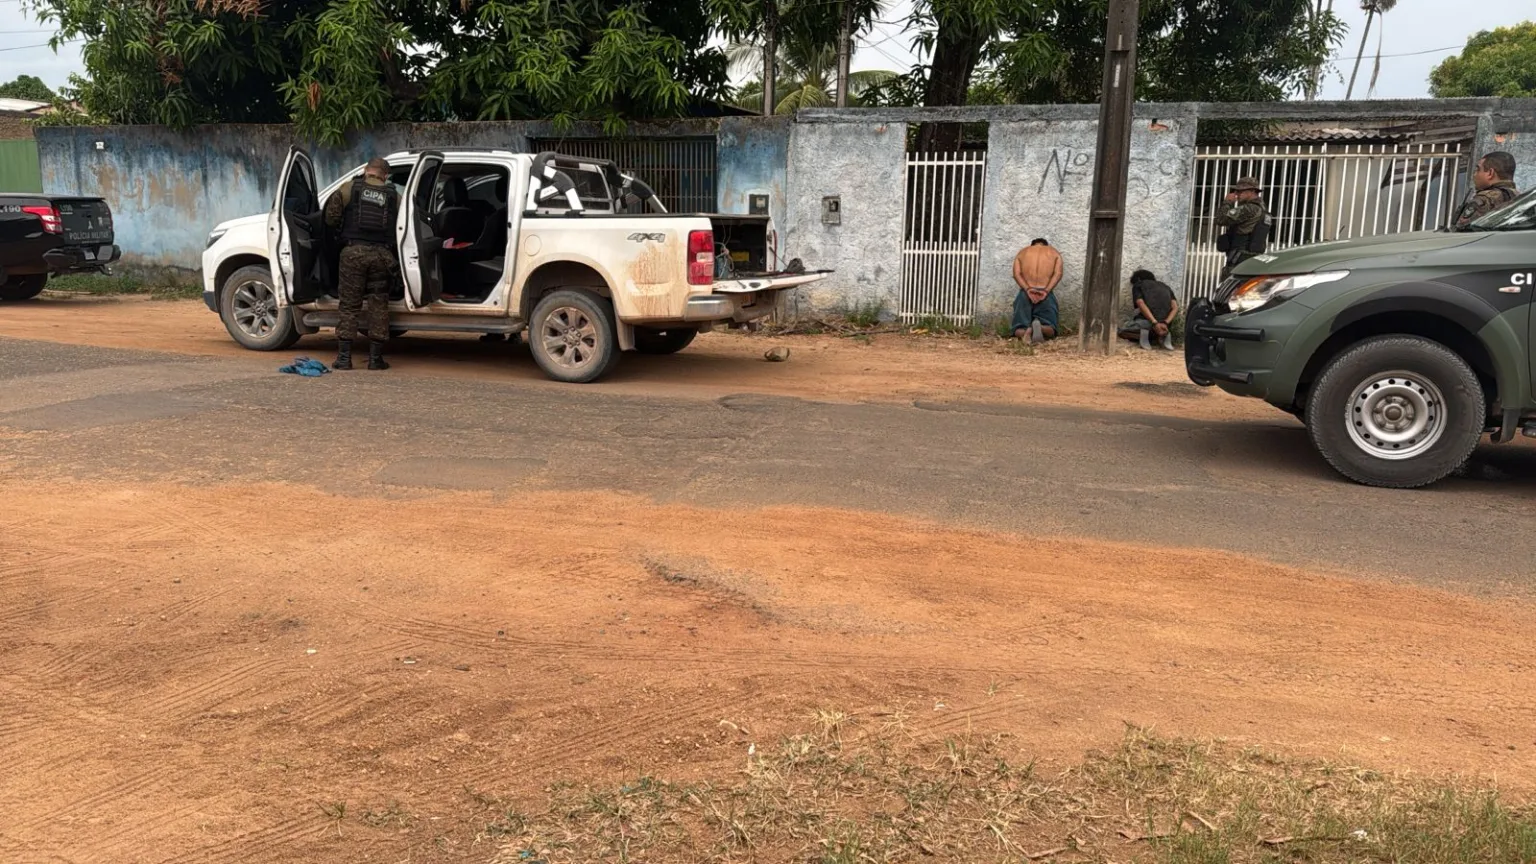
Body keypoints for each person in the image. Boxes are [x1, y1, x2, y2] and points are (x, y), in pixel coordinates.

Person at [324, 157, 400, 370]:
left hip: (352, 254)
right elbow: (402, 226)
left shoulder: (348, 189)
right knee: (378, 304)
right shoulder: (395, 196)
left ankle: (344, 358)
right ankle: (375, 360)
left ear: (366, 171)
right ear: (385, 175)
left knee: (349, 305)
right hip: (381, 256)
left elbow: (331, 218)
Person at [1215, 177, 1269, 278]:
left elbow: (1220, 219)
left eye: (1241, 191)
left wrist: (1228, 202)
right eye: (1236, 191)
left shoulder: (1249, 209)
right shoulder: (1262, 208)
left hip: (1239, 260)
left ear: (1252, 191)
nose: (1237, 194)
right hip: (1252, 260)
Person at [1011, 238, 1063, 344]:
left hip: (1026, 293)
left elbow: (1016, 274)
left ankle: (1027, 332)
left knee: (1018, 327)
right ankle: (1040, 328)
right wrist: (1046, 291)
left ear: (1032, 245)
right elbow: (1058, 274)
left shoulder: (1022, 253)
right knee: (1051, 328)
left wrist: (1028, 289)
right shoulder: (1054, 253)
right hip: (1045, 293)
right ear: (1046, 245)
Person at [1453, 151, 1519, 230]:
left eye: (1478, 169)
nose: (1475, 175)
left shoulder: (1483, 200)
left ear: (1490, 173)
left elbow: (1461, 234)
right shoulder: (1520, 198)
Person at [1119, 270, 1178, 351]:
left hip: (1148, 324)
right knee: (1157, 329)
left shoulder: (1139, 284)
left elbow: (1140, 303)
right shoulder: (1166, 286)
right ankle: (1162, 336)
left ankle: (1145, 334)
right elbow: (1175, 307)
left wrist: (1155, 323)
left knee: (1120, 331)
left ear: (1138, 279)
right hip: (1165, 327)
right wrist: (1165, 323)